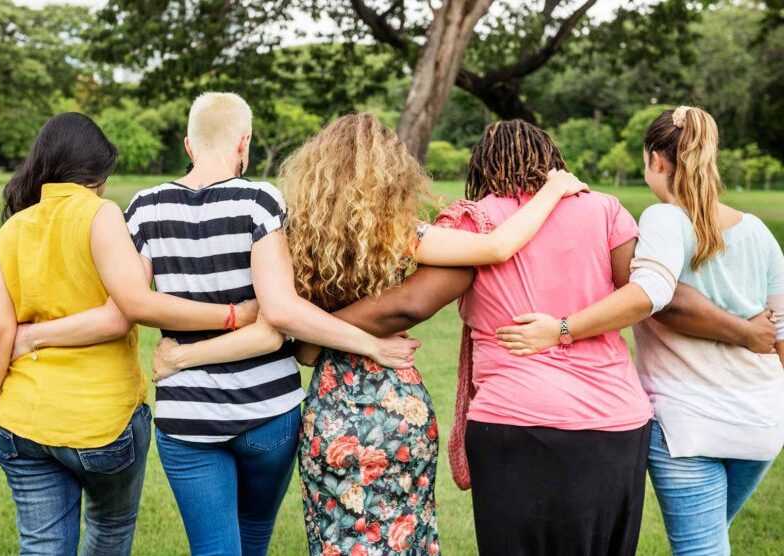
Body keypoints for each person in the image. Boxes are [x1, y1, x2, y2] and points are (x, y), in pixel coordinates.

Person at [302, 118, 775, 556]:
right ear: (553, 162)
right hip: (614, 422)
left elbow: (410, 304)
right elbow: (654, 292)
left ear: (483, 167)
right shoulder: (604, 209)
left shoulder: (475, 218)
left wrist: (315, 330)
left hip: (515, 420)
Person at [152, 112, 588, 555]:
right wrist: (552, 189)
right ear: (392, 172)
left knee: (338, 540)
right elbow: (496, 247)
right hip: (398, 405)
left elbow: (302, 351)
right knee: (405, 535)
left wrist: (314, 337)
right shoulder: (399, 235)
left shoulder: (295, 237)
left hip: (332, 412)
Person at [7, 97, 419, 556]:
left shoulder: (144, 208)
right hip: (268, 412)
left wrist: (179, 354)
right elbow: (280, 312)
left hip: (187, 416)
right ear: (243, 142)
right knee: (254, 534)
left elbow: (133, 304)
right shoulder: (260, 200)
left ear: (188, 144)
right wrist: (373, 346)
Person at [497, 107, 784, 555]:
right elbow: (780, 329)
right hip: (762, 420)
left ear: (657, 161)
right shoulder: (759, 232)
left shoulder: (664, 219)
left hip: (687, 424)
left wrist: (562, 329)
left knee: (702, 549)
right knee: (710, 541)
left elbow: (651, 291)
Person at [0, 112, 267, 556]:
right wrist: (233, 314)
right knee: (110, 530)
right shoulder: (100, 215)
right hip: (102, 421)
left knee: (40, 547)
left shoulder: (11, 229)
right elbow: (127, 311)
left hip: (21, 422)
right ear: (96, 171)